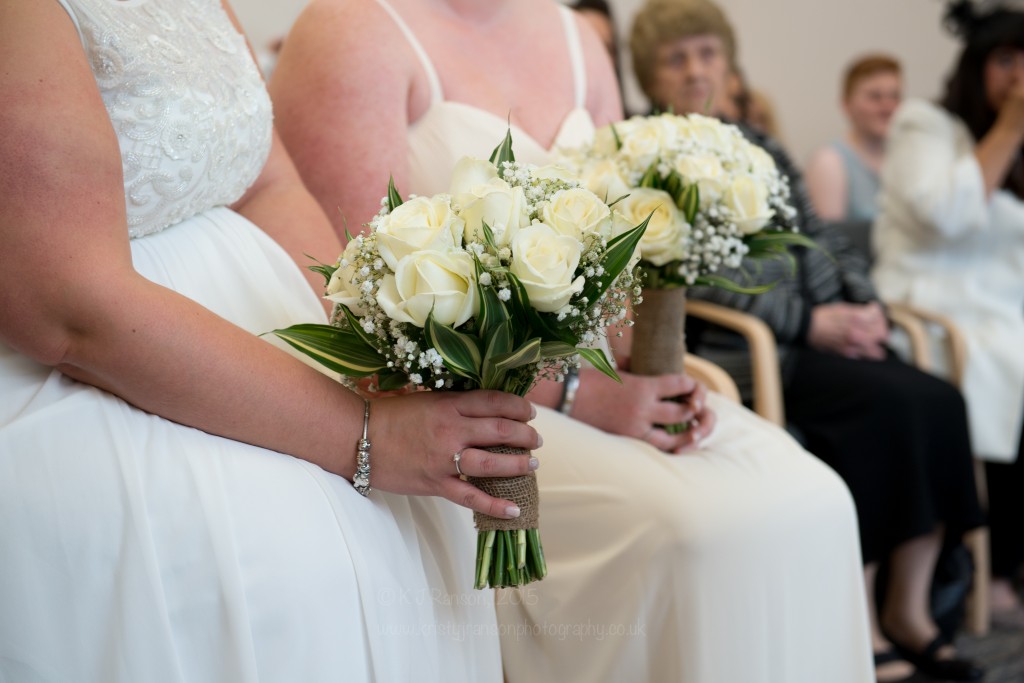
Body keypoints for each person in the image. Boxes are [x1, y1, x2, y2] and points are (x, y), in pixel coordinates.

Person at [270, 1, 875, 681]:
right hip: (468, 411)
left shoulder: (576, 36)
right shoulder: (352, 30)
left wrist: (650, 379)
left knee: (819, 499)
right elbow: (360, 301)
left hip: (606, 383)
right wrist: (583, 395)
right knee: (693, 531)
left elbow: (616, 247)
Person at [0, 1, 545, 681]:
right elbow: (69, 310)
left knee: (412, 548)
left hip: (269, 321)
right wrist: (368, 433)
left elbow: (266, 178)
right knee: (292, 579)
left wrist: (369, 353)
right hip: (119, 374)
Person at [629, 0, 986, 680]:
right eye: (677, 58)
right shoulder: (646, 149)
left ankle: (910, 606)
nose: (696, 69)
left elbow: (817, 232)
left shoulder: (757, 144)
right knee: (882, 407)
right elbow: (681, 276)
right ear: (650, 72)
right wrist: (807, 322)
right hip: (753, 348)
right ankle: (864, 619)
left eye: (707, 53)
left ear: (729, 63)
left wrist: (865, 303)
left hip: (823, 333)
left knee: (938, 398)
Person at [872, 0, 1024, 630]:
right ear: (975, 65)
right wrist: (1011, 127)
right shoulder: (924, 125)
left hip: (997, 314)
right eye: (1007, 61)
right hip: (928, 310)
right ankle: (994, 572)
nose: (1019, 77)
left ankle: (1008, 567)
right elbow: (944, 214)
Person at [806, 54, 904, 223]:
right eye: (875, 96)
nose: (888, 107)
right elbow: (830, 239)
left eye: (894, 96)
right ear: (846, 104)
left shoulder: (906, 157)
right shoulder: (830, 161)